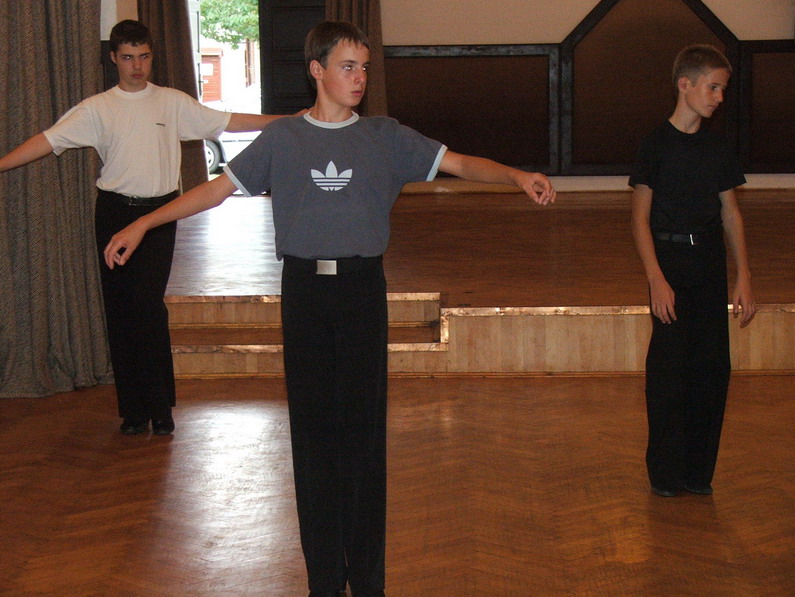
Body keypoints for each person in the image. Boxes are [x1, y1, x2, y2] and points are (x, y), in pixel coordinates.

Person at [103, 21, 556, 596]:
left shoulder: (385, 136)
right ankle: (324, 580)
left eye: (364, 67)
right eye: (348, 66)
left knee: (363, 439)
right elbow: (216, 190)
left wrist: (517, 176)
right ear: (317, 70)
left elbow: (460, 163)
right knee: (313, 438)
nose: (359, 78)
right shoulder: (284, 138)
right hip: (305, 296)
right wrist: (144, 222)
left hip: (361, 292)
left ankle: (367, 581)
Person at [0, 20, 292, 436]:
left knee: (148, 307)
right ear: (114, 59)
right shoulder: (97, 108)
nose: (137, 66)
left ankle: (160, 406)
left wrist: (287, 120)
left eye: (144, 57)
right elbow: (47, 141)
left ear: (152, 57)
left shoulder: (171, 102)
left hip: (158, 216)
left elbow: (227, 121)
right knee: (121, 311)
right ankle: (134, 412)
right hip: (114, 214)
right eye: (128, 58)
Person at [629, 44, 755, 498]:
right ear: (685, 84)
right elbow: (639, 219)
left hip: (708, 263)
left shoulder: (717, 147)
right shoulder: (654, 145)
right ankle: (665, 473)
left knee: (712, 369)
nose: (719, 98)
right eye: (713, 88)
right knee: (669, 373)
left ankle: (698, 473)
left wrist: (744, 276)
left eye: (722, 90)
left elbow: (730, 214)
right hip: (669, 264)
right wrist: (656, 279)